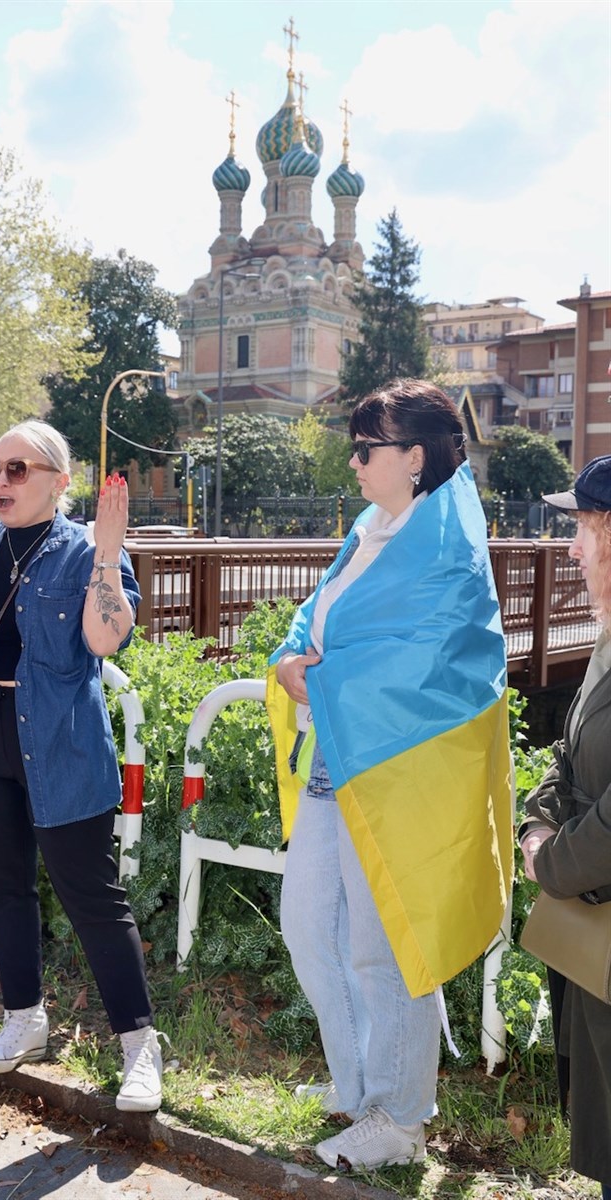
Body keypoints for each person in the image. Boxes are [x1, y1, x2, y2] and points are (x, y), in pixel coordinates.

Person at [266, 379, 512, 1171]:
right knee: (310, 926)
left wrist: (321, 673)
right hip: (339, 756)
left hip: (402, 770)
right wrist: (290, 658)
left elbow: (436, 663)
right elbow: (320, 617)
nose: (354, 461)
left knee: (387, 944)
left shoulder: (448, 548)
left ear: (414, 457)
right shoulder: (374, 527)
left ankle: (401, 1121)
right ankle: (358, 1086)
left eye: (365, 449)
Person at [0, 419, 163, 1111]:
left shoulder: (86, 549)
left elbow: (103, 640)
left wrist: (108, 553)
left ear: (60, 482)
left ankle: (139, 1045)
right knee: (4, 887)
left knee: (92, 894)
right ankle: (24, 1018)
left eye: (17, 469)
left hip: (60, 739)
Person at [520, 455, 611, 1198]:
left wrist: (551, 864)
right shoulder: (608, 634)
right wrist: (537, 820)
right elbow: (569, 753)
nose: (571, 548)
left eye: (582, 528)